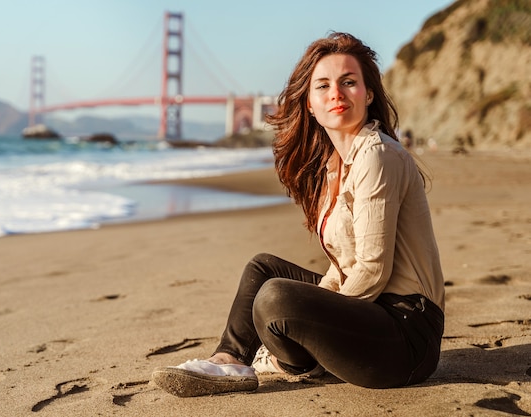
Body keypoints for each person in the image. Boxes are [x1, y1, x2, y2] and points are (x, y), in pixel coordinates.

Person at [151, 32, 445, 397]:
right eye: (323, 85)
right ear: (309, 103)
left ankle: (294, 361)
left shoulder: (377, 155)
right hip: (371, 319)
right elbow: (342, 272)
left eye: (349, 82)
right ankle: (229, 361)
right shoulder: (334, 167)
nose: (336, 92)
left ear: (368, 95)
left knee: (276, 298)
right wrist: (313, 316)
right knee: (263, 271)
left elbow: (371, 271)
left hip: (406, 336)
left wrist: (307, 324)